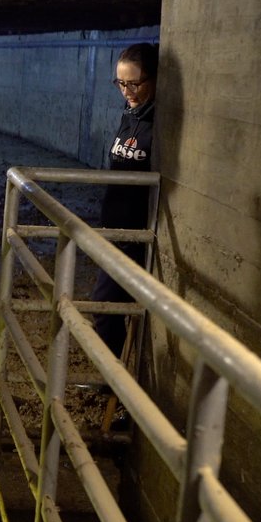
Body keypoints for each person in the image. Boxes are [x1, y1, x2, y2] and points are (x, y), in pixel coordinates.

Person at [91, 42, 158, 358]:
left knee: (106, 309)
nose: (127, 91)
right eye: (121, 83)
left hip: (135, 236)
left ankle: (114, 380)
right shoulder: (130, 115)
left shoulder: (159, 124)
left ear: (154, 80)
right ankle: (114, 378)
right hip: (114, 229)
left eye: (135, 83)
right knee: (109, 311)